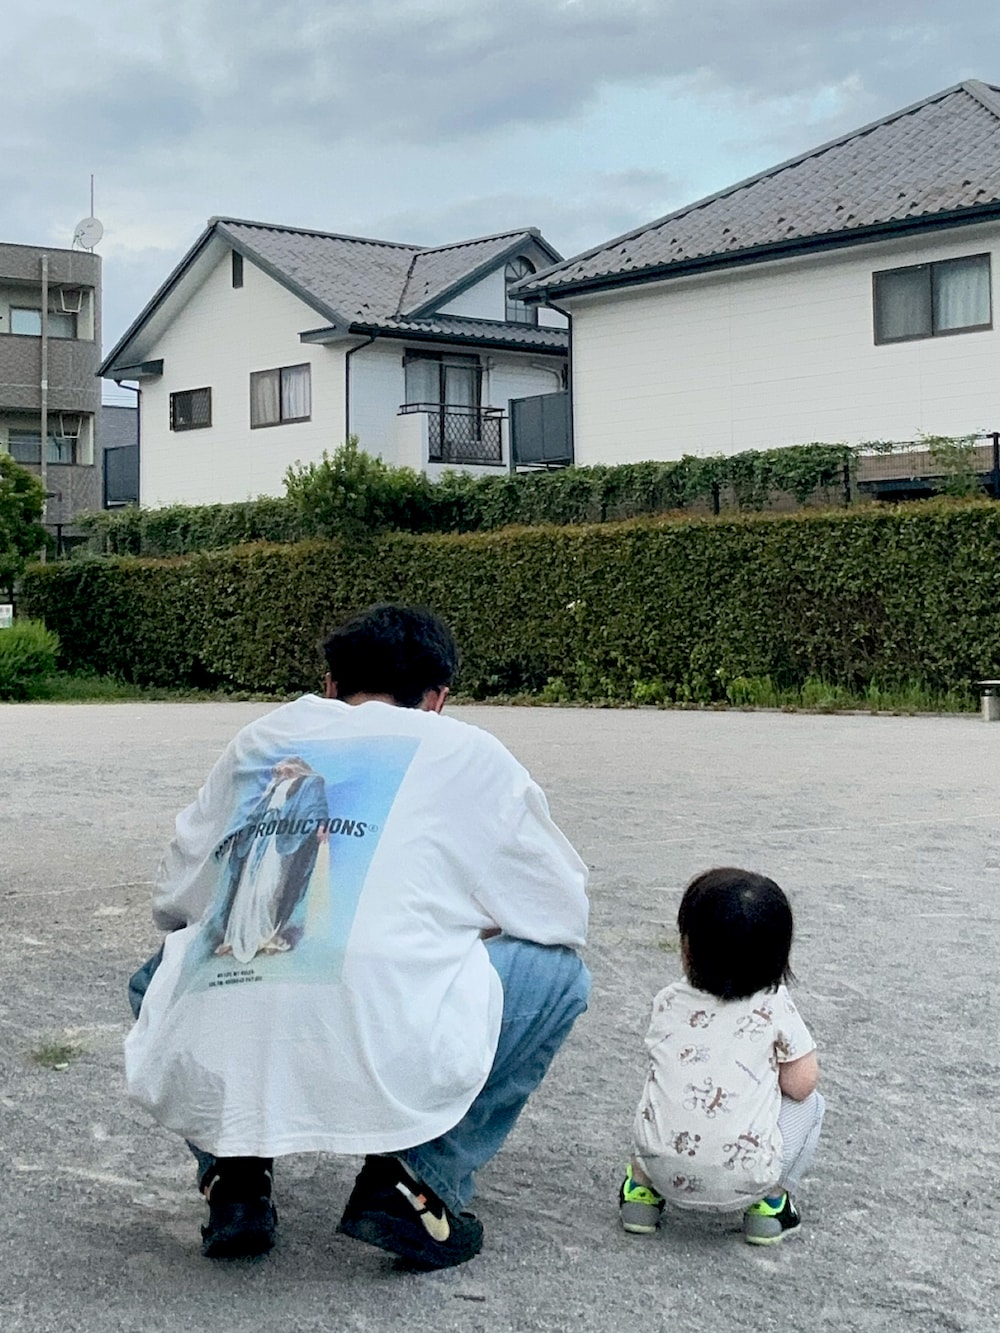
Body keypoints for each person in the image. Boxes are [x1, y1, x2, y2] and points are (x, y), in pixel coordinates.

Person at [125, 604, 590, 1268]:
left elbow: (175, 899)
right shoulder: (466, 751)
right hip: (380, 1024)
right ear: (436, 698)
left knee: (159, 978)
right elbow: (561, 911)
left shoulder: (261, 739)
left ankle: (234, 1175)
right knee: (560, 975)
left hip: (258, 962)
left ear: (331, 683)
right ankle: (416, 1181)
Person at [618, 867, 823, 1246]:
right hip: (744, 1175)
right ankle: (769, 1204)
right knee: (812, 1105)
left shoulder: (669, 1001)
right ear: (780, 956)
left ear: (688, 947)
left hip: (662, 1165)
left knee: (665, 1087)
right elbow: (802, 1083)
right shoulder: (775, 1006)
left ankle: (641, 1193)